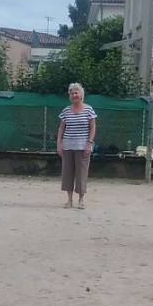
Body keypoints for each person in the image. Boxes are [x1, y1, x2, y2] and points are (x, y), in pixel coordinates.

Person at [57, 82, 97, 210]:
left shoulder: (88, 110)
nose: (74, 95)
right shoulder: (66, 111)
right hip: (67, 146)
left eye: (76, 93)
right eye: (72, 93)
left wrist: (89, 143)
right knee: (67, 173)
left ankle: (81, 200)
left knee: (81, 173)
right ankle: (69, 200)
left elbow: (93, 127)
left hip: (83, 146)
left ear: (81, 94)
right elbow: (61, 128)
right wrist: (59, 144)